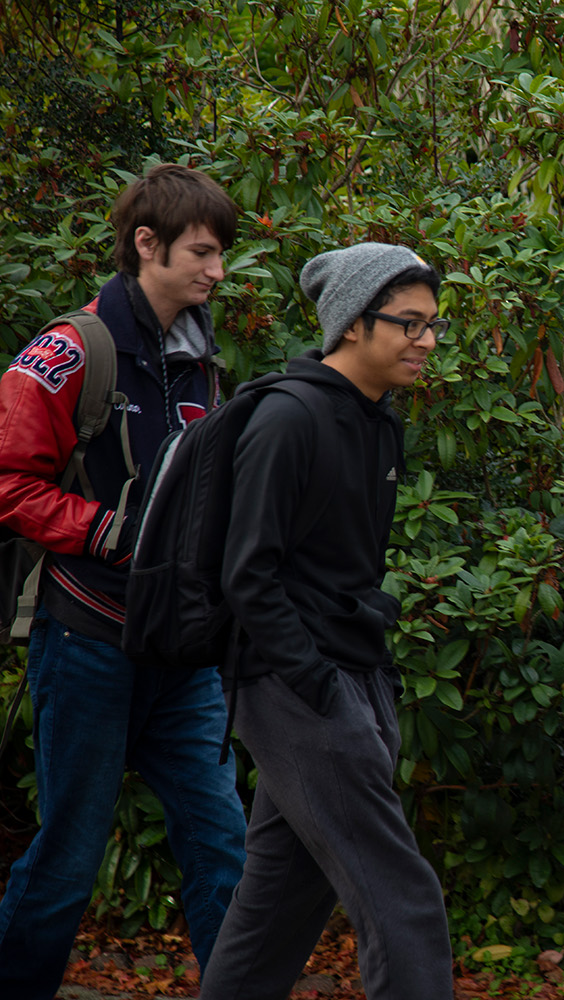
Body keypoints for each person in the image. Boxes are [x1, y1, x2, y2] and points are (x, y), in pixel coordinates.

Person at [0, 163, 248, 998]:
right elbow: (0, 484)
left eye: (222, 254)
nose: (217, 272)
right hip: (87, 640)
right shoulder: (69, 349)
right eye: (202, 253)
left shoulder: (201, 358)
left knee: (224, 845)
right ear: (145, 244)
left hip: (182, 650)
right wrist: (111, 530)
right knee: (70, 857)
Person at [199, 243, 455, 1000]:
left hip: (351, 673)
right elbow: (247, 572)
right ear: (352, 323)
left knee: (279, 903)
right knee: (404, 901)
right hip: (296, 684)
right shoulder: (288, 418)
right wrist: (314, 683)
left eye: (433, 325)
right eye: (408, 324)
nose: (426, 342)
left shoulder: (377, 422)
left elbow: (344, 569)